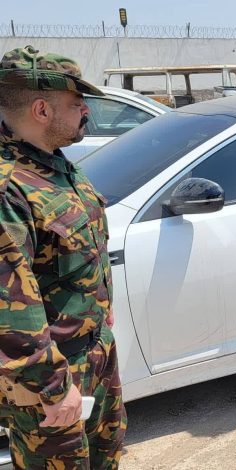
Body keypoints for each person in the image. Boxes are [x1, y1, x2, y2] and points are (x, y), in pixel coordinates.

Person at [0, 46, 126, 468]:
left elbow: (80, 248)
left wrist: (102, 312)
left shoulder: (55, 164)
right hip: (51, 378)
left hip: (93, 355)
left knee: (106, 457)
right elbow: (9, 309)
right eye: (76, 103)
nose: (85, 111)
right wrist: (53, 387)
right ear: (41, 110)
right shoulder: (9, 188)